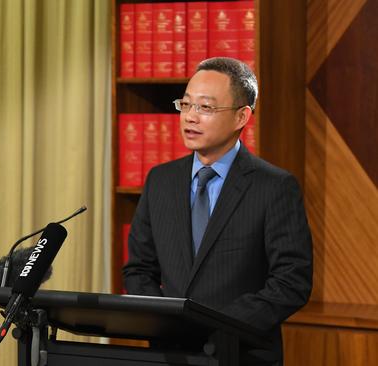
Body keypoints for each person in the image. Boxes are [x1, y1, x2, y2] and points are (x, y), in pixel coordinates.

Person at [122, 57, 312, 364]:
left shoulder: (274, 186)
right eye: (185, 105)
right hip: (170, 354)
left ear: (241, 116)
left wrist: (215, 326)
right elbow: (139, 269)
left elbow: (291, 282)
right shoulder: (160, 180)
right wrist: (165, 322)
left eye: (205, 108)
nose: (190, 118)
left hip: (241, 353)